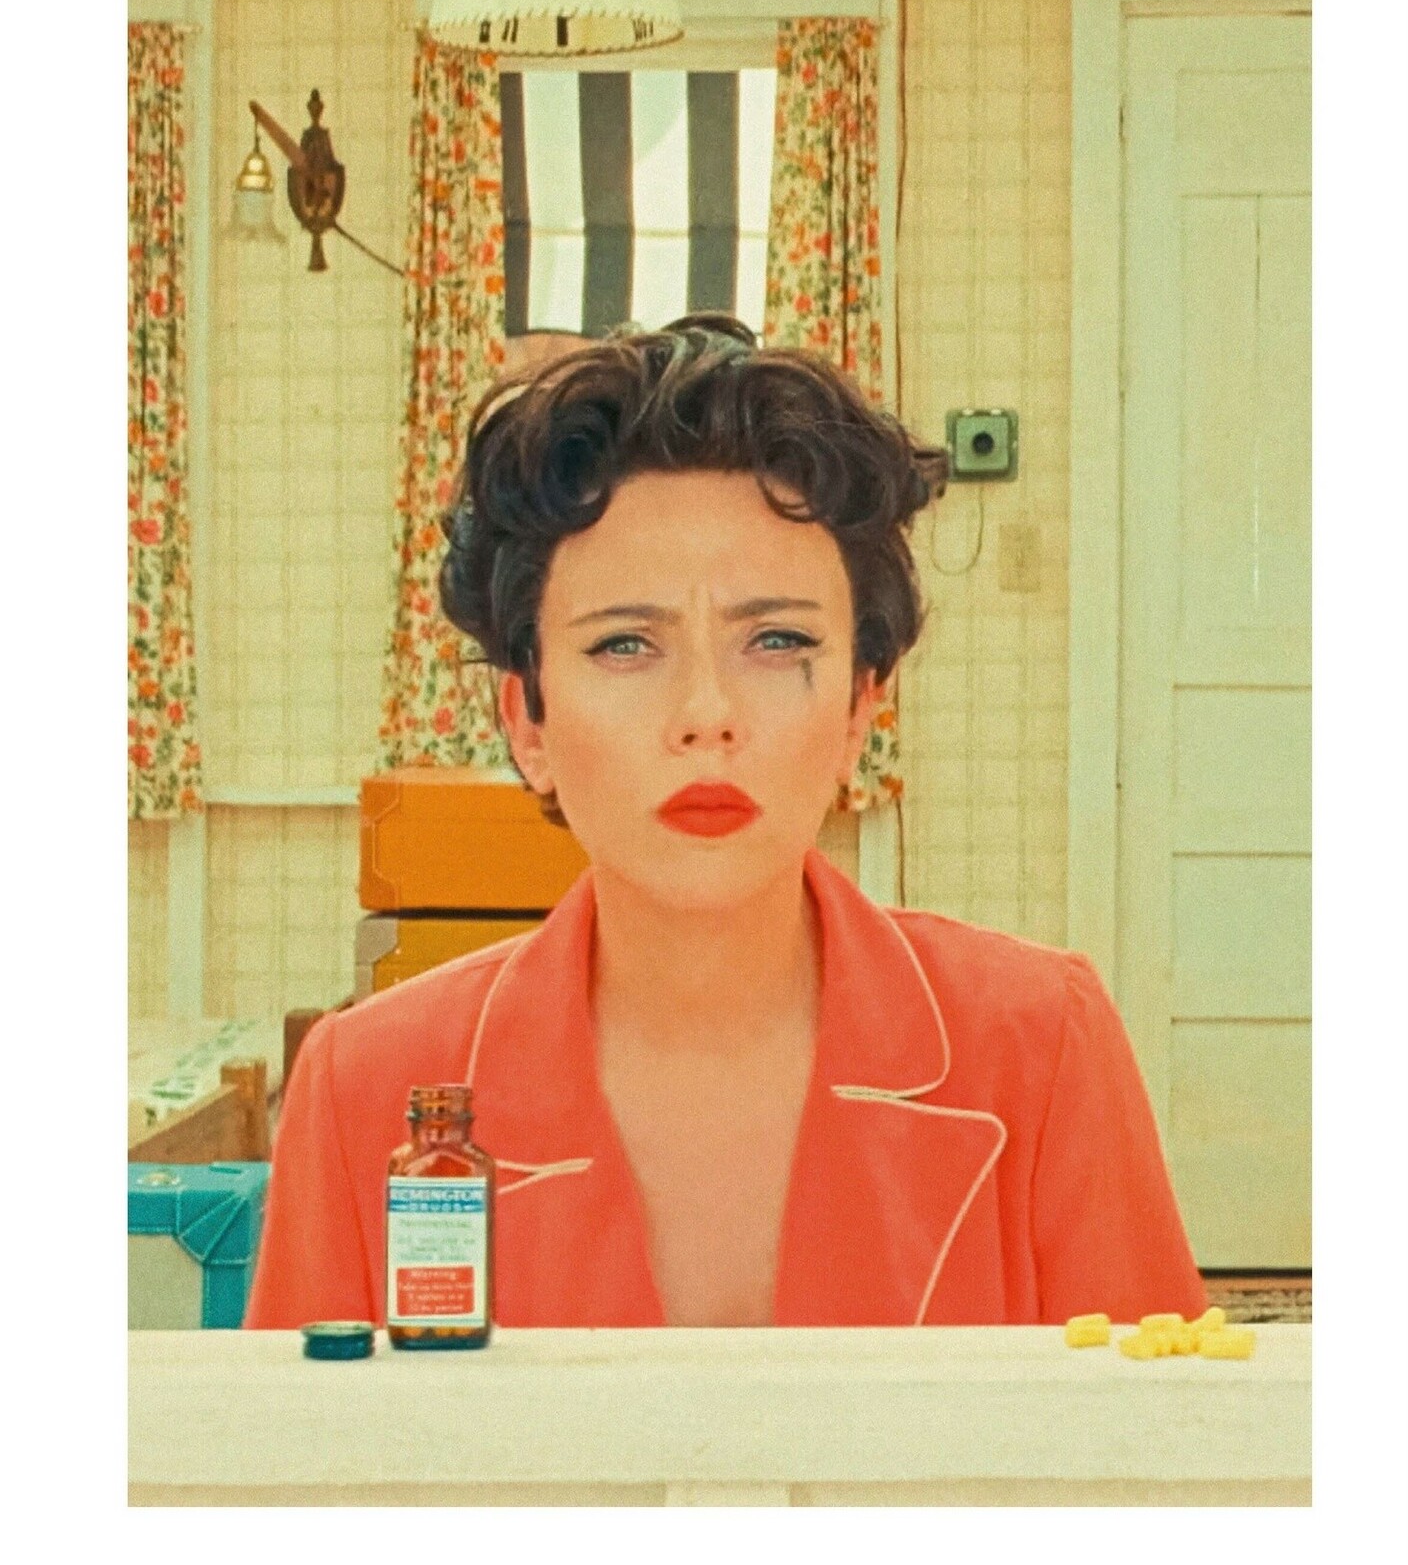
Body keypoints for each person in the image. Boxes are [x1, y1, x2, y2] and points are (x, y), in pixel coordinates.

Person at [245, 314, 1205, 1329]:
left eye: (777, 640)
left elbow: (1158, 1421)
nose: (706, 715)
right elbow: (301, 1433)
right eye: (624, 646)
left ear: (860, 709)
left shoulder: (1041, 1047)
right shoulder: (367, 1090)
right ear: (527, 720)